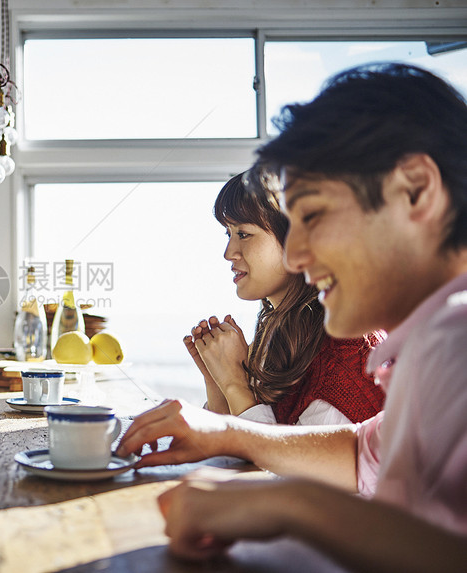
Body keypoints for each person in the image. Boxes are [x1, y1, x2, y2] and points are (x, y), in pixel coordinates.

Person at [117, 62, 467, 572]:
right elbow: (358, 453)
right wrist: (225, 432)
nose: (297, 256)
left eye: (314, 216)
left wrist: (289, 504)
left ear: (415, 189)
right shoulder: (431, 346)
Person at [187, 173, 384, 424]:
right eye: (229, 234)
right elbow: (231, 452)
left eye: (244, 234)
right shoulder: (282, 337)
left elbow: (280, 461)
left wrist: (235, 383)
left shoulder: (345, 358)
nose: (229, 253)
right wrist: (219, 388)